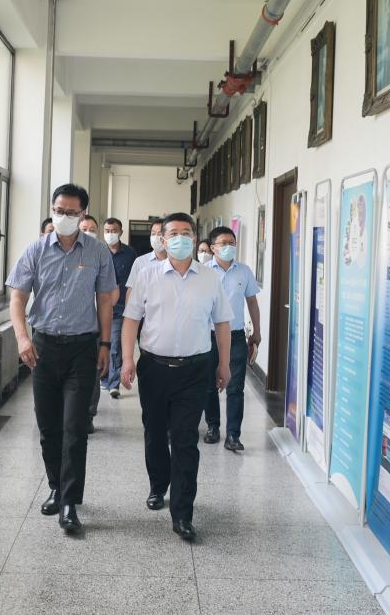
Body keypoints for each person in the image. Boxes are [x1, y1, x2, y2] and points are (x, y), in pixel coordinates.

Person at [6, 184, 118, 534]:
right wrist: (22, 338)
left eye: (71, 212)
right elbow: (17, 298)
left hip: (82, 349)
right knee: (48, 426)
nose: (64, 216)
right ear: (52, 210)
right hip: (43, 348)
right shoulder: (36, 250)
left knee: (74, 427)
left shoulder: (98, 251)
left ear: (83, 214)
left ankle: (70, 501)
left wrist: (105, 345)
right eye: (59, 210)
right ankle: (55, 485)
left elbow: (105, 301)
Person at [121, 212, 231, 542]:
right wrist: (127, 360)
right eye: (173, 233)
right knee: (155, 431)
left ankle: (183, 513)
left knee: (185, 439)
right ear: (163, 239)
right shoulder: (147, 275)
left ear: (195, 239)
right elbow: (131, 319)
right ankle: (158, 485)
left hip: (195, 370)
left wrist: (224, 365)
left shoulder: (210, 279)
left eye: (186, 233)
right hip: (154, 368)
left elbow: (222, 323)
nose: (180, 238)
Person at [202, 226, 262, 451]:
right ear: (213, 247)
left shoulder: (244, 271)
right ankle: (213, 427)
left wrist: (257, 331)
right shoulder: (203, 271)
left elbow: (252, 302)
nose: (229, 247)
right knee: (209, 385)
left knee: (235, 387)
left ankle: (233, 435)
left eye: (232, 243)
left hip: (235, 336)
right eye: (223, 243)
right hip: (207, 335)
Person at [99, 218, 137, 400]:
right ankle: (104, 377)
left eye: (114, 230)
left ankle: (113, 384)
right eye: (107, 230)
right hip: (98, 308)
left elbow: (134, 281)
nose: (110, 234)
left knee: (115, 345)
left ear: (121, 232)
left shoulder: (130, 254)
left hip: (119, 309)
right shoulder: (98, 251)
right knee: (101, 344)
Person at [126, 218, 167, 300]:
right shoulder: (140, 262)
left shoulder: (176, 262)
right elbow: (131, 290)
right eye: (153, 234)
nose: (156, 237)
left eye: (160, 234)